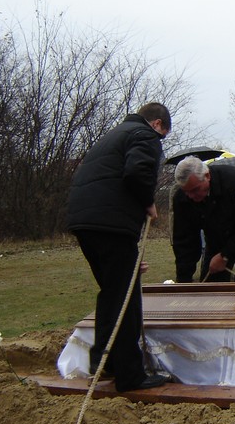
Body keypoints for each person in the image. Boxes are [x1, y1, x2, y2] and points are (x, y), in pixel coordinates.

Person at [67, 102, 171, 392]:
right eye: (163, 135)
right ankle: (130, 375)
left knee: (111, 294)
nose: (160, 141)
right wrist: (148, 201)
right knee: (126, 297)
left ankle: (104, 361)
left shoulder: (113, 135)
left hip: (84, 221)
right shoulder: (145, 135)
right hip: (111, 223)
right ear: (158, 124)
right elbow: (137, 171)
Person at [171, 156, 235, 283]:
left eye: (195, 190)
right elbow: (184, 241)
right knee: (210, 286)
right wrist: (184, 279)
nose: (191, 196)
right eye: (187, 192)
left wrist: (225, 255)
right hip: (216, 243)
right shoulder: (182, 199)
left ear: (207, 176)